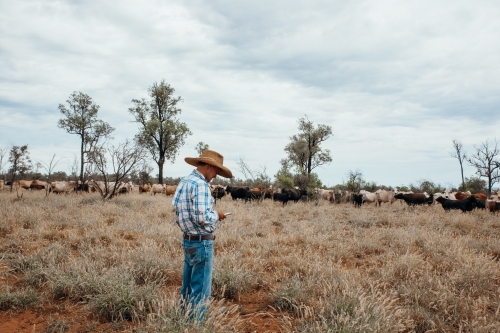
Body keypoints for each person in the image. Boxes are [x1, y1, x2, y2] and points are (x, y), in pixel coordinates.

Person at [172, 149, 233, 320]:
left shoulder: (184, 181)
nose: (215, 176)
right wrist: (217, 215)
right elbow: (202, 216)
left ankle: (183, 321)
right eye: (216, 171)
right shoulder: (200, 185)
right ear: (208, 166)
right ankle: (196, 325)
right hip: (201, 243)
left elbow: (176, 207)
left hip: (188, 240)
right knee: (200, 290)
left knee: (188, 286)